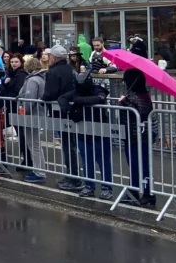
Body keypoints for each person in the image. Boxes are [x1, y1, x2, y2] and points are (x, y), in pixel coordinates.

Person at [59, 70, 112, 199]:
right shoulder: (77, 91)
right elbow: (62, 98)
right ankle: (89, 186)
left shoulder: (97, 89)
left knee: (103, 161)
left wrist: (79, 101)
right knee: (87, 161)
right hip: (83, 132)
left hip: (100, 132)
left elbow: (100, 98)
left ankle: (107, 187)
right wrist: (68, 110)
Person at [42, 45, 82, 192]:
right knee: (70, 144)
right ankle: (72, 175)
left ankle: (74, 177)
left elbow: (49, 93)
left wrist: (42, 100)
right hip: (71, 109)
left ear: (54, 57)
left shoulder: (53, 72)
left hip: (60, 110)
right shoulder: (71, 69)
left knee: (68, 145)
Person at [118, 69, 156, 207]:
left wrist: (125, 102)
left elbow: (142, 112)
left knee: (141, 165)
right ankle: (134, 191)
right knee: (134, 165)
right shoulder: (135, 95)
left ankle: (147, 193)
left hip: (140, 135)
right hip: (132, 134)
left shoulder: (142, 96)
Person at [17, 56, 48, 184]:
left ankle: (39, 172)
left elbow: (29, 99)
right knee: (35, 144)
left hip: (32, 116)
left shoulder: (32, 80)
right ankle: (38, 170)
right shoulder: (41, 78)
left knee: (34, 144)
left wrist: (22, 112)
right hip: (37, 114)